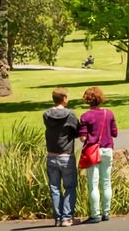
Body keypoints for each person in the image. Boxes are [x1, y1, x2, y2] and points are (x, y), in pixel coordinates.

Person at [79, 86, 118, 224]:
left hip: (93, 152)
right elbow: (114, 133)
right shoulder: (109, 113)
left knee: (93, 184)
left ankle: (95, 215)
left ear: (87, 100)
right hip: (107, 150)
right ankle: (106, 212)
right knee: (106, 182)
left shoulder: (85, 116)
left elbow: (83, 138)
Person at [43, 87, 78, 228]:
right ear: (64, 99)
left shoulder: (46, 114)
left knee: (54, 188)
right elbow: (76, 130)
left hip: (51, 155)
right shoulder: (70, 115)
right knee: (69, 186)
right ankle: (67, 217)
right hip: (66, 155)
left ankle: (58, 218)